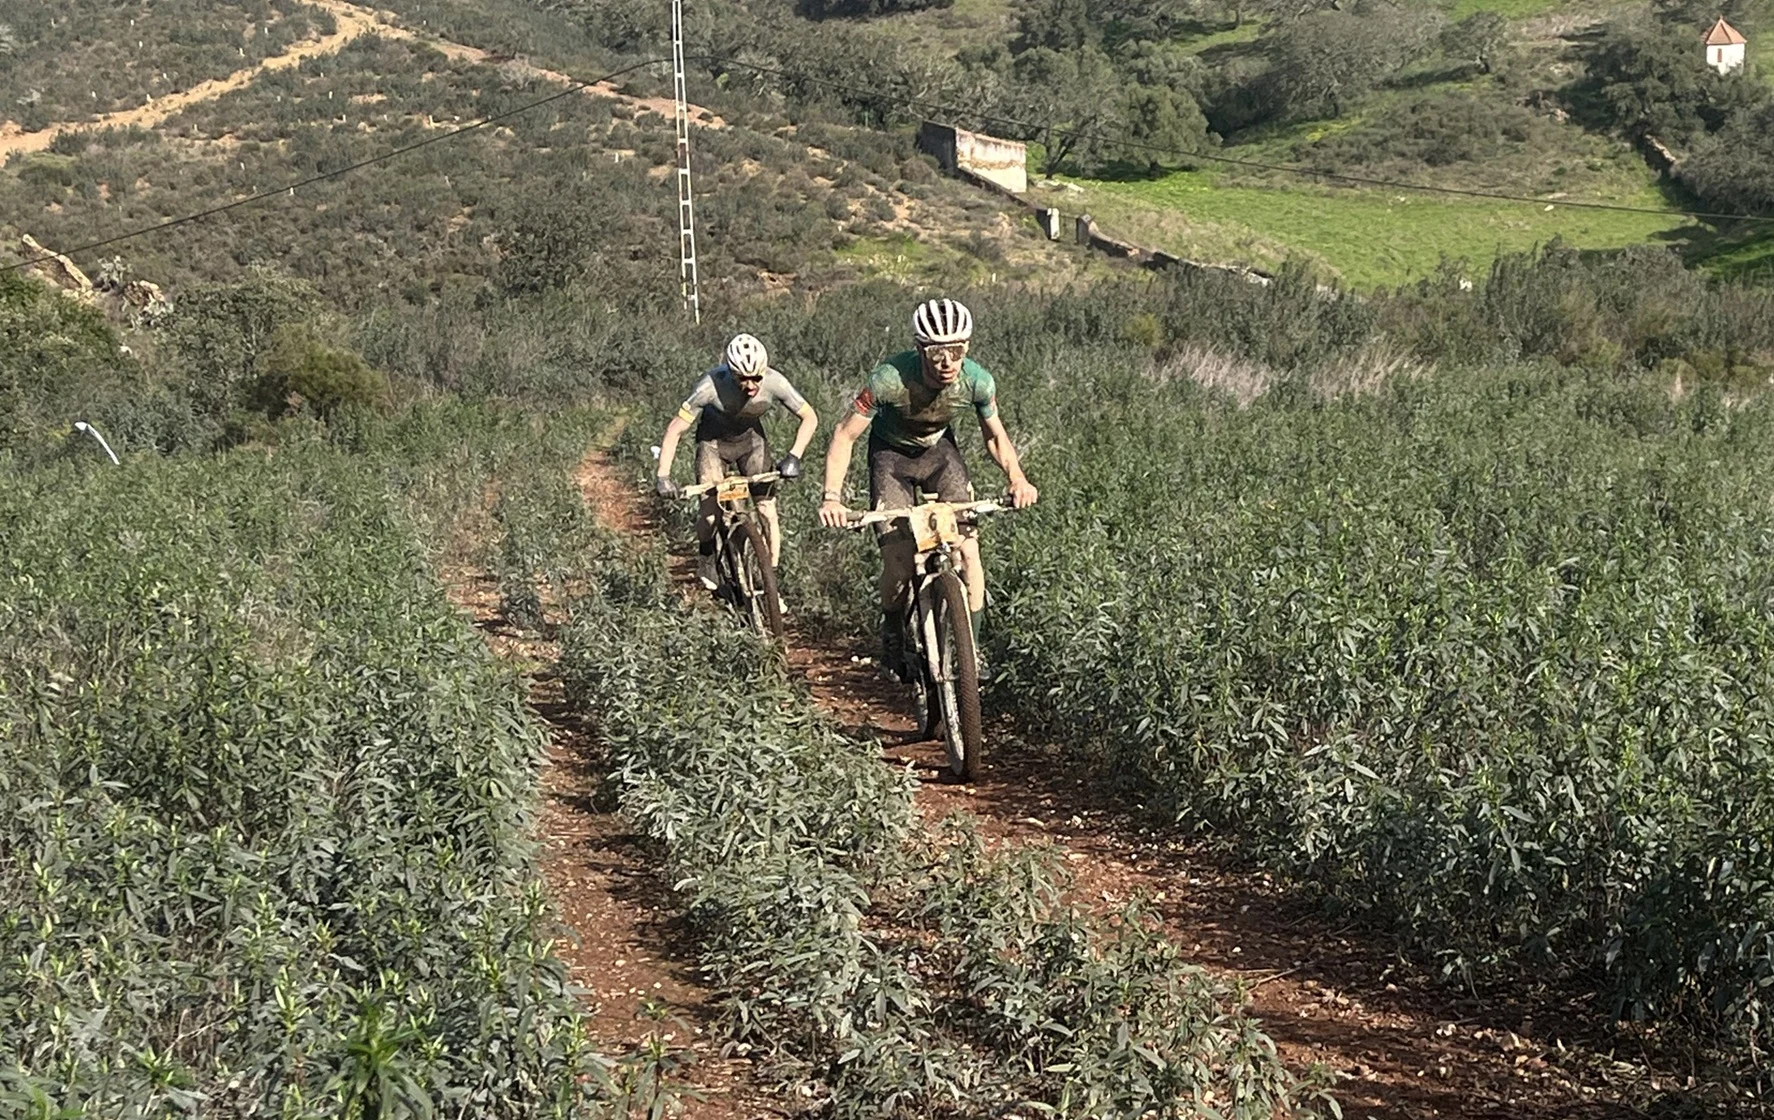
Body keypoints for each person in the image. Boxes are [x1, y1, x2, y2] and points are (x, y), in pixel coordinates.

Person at [816, 297, 1037, 676]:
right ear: (920, 349)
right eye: (937, 353)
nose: (948, 362)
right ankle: (893, 636)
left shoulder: (978, 381)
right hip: (891, 458)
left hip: (939, 453)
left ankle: (972, 651)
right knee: (899, 562)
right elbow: (844, 436)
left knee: (969, 555)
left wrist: (1017, 478)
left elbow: (996, 437)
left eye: (957, 350)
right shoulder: (888, 379)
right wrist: (831, 497)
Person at [656, 333, 818, 591]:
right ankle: (707, 556)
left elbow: (809, 416)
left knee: (767, 512)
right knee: (709, 516)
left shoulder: (776, 382)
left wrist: (794, 456)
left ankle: (770, 580)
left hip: (751, 443)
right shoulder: (708, 387)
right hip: (713, 444)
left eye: (757, 377)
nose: (752, 385)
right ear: (731, 372)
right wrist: (663, 475)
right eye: (743, 378)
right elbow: (675, 429)